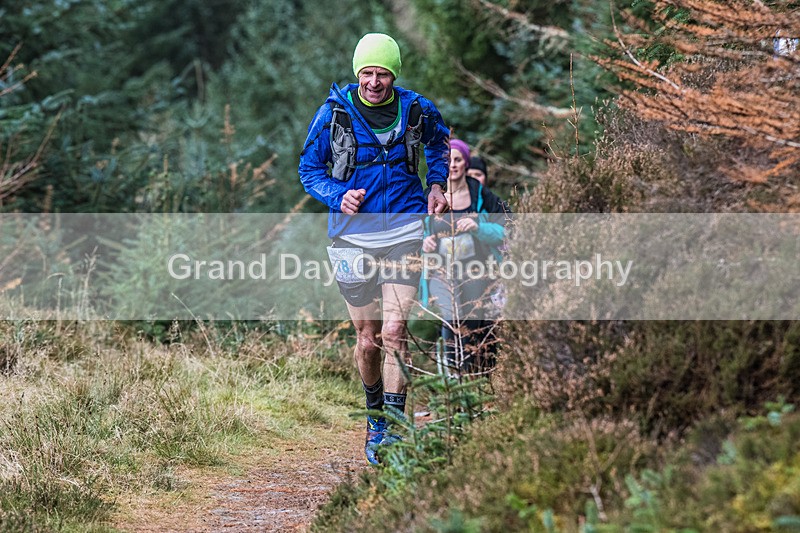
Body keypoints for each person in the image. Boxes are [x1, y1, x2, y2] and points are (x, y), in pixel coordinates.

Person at [299, 33, 450, 465]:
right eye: (367, 72)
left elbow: (440, 142)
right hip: (351, 235)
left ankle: (394, 429)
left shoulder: (416, 108)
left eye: (382, 72)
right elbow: (309, 169)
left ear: (393, 74)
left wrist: (436, 184)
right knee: (367, 341)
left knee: (395, 333)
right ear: (357, 73)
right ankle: (374, 417)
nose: (374, 81)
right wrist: (336, 195)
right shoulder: (333, 114)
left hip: (404, 228)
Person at [420, 139, 509, 374]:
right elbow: (412, 232)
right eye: (447, 160)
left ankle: (473, 375)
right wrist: (424, 243)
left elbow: (506, 231)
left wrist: (478, 227)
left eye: (458, 159)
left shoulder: (481, 195)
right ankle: (451, 374)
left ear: (465, 163)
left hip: (476, 269)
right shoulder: (429, 196)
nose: (452, 165)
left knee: (473, 319)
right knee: (450, 317)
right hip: (440, 271)